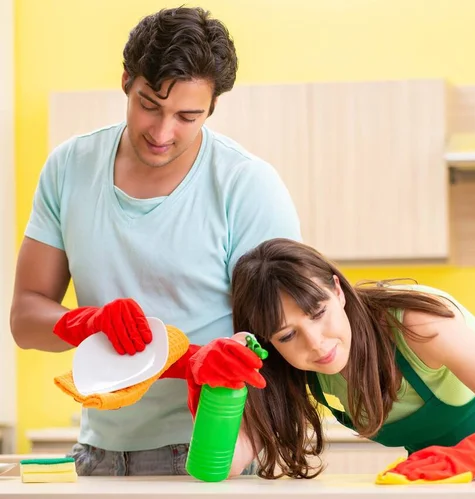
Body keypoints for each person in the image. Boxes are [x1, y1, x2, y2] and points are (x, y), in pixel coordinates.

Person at [10, 7, 301, 476]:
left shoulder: (247, 185)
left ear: (213, 107)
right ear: (127, 81)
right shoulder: (69, 168)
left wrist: (213, 359)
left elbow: (289, 337)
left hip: (207, 452)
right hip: (97, 452)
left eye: (188, 116)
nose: (163, 133)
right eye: (150, 105)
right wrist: (85, 323)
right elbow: (25, 319)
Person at [186, 238, 475, 480]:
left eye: (318, 312)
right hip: (447, 486)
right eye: (288, 335)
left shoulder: (417, 325)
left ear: (337, 290)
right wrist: (222, 382)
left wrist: (465, 459)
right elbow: (222, 466)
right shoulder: (294, 369)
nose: (317, 343)